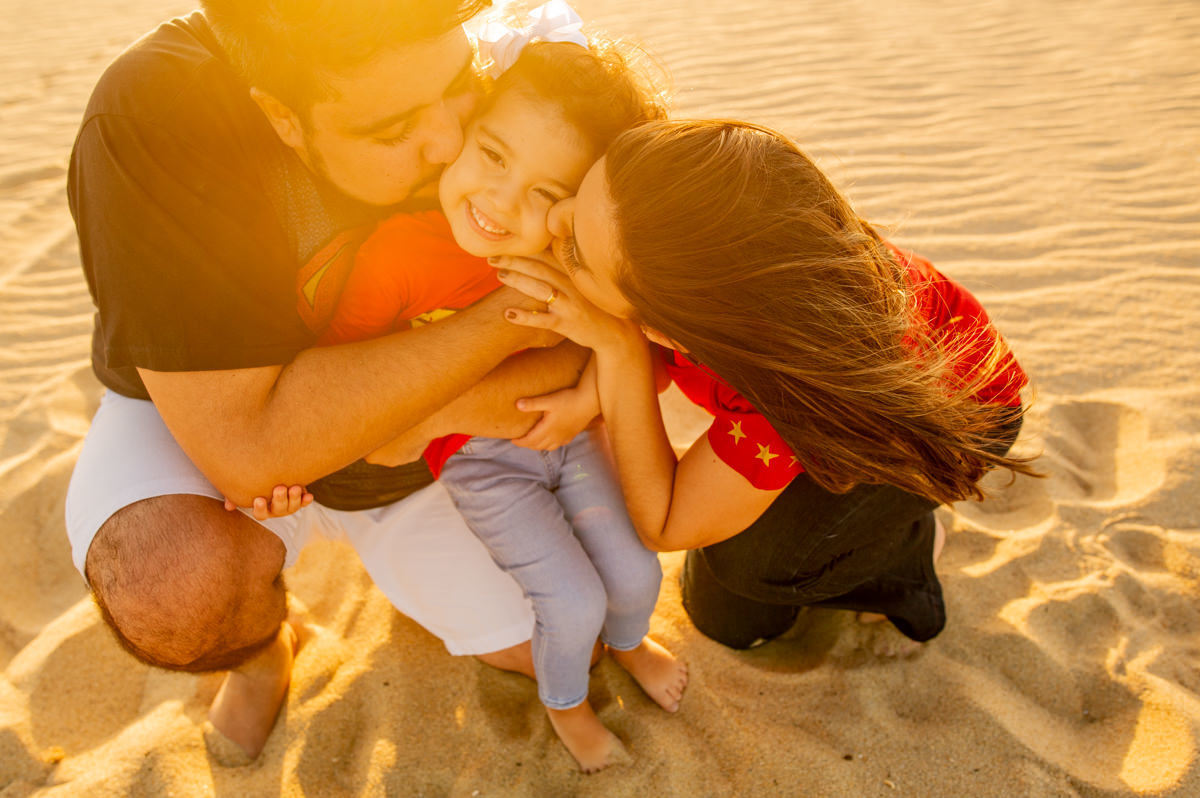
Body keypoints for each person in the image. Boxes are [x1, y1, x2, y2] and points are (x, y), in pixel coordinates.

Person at [64, 0, 598, 762]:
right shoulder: (151, 112)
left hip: (438, 434)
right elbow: (246, 451)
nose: (449, 142)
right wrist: (502, 318)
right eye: (394, 130)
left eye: (456, 87)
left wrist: (417, 418)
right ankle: (262, 651)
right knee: (171, 593)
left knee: (572, 639)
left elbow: (592, 331)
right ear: (284, 120)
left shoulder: (515, 63)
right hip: (208, 416)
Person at [493, 119, 1035, 650]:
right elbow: (660, 363)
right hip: (857, 377)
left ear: (666, 330)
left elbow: (665, 526)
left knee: (742, 585)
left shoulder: (781, 392)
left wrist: (616, 346)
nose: (555, 220)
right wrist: (594, 393)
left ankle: (907, 555)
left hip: (945, 418)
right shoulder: (695, 242)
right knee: (731, 614)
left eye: (576, 253)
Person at [316, 30, 685, 772]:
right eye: (491, 155)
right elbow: (341, 388)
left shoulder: (575, 253)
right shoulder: (395, 258)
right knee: (570, 602)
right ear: (463, 131)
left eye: (547, 194)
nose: (500, 203)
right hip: (482, 467)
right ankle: (568, 708)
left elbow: (646, 357)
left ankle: (630, 640)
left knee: (638, 575)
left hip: (578, 441)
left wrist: (585, 399)